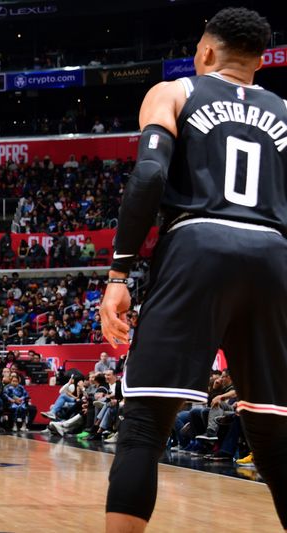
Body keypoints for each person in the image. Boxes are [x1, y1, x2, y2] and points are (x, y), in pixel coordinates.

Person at [98, 9, 287, 532]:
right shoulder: (285, 112)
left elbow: (150, 176)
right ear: (259, 63)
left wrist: (118, 276)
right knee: (274, 437)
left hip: (197, 244)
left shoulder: (174, 93)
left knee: (143, 426)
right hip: (273, 254)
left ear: (205, 52)